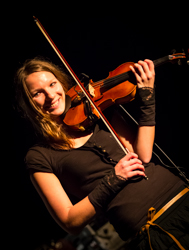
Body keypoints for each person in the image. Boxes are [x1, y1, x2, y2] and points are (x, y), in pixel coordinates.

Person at [14, 57, 189, 249]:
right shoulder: (40, 156)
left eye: (52, 84)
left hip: (182, 196)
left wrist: (147, 96)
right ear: (29, 104)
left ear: (61, 82)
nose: (50, 95)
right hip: (152, 231)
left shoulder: (97, 111)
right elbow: (69, 221)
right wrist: (113, 180)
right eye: (37, 93)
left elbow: (143, 155)